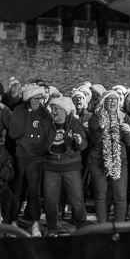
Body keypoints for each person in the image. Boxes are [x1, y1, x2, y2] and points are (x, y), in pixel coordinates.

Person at [40, 96, 88, 236]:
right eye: (52, 108)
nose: (53, 111)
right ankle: (52, 228)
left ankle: (82, 228)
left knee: (77, 199)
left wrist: (77, 139)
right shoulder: (47, 123)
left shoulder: (73, 122)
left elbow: (83, 145)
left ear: (65, 110)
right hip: (51, 166)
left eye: (56, 109)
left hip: (70, 166)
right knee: (50, 200)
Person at [87, 90, 130, 223]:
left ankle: (120, 226)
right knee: (101, 196)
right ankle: (102, 226)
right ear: (104, 102)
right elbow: (94, 140)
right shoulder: (96, 117)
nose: (113, 102)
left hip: (119, 162)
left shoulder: (125, 118)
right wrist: (101, 128)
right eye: (110, 99)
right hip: (98, 161)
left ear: (119, 102)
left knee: (120, 196)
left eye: (115, 99)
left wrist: (127, 132)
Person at [7, 84, 50, 233]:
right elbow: (13, 132)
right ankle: (12, 221)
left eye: (41, 98)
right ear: (29, 98)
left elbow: (47, 134)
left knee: (35, 191)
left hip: (36, 157)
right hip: (21, 155)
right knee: (17, 190)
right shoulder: (19, 110)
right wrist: (29, 125)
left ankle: (35, 222)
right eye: (36, 98)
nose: (39, 101)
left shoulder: (44, 112)